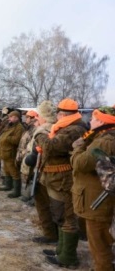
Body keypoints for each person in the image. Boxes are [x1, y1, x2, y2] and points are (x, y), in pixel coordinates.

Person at [34, 98, 88, 268]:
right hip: (57, 179)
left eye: (57, 113)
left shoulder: (75, 129)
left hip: (65, 180)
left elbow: (52, 147)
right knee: (60, 216)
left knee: (67, 217)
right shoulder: (67, 127)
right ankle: (61, 250)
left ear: (62, 114)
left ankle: (68, 257)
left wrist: (40, 134)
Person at [71, 105, 115, 271]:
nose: (90, 120)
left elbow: (80, 164)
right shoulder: (102, 137)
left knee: (100, 247)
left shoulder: (105, 141)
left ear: (104, 122)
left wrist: (78, 147)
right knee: (99, 245)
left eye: (95, 118)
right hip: (97, 200)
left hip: (99, 204)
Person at [25, 101, 59, 245]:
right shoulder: (56, 127)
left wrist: (31, 157)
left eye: (39, 115)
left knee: (44, 205)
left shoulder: (43, 130)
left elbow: (42, 153)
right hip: (49, 173)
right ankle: (52, 234)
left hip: (42, 172)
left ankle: (50, 235)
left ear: (44, 116)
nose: (36, 118)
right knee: (51, 206)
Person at [0, 110, 24, 197]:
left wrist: (7, 138)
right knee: (6, 170)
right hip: (4, 152)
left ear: (17, 118)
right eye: (10, 117)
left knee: (14, 171)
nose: (10, 118)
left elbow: (17, 140)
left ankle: (17, 191)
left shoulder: (19, 127)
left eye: (12, 117)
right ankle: (8, 185)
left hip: (10, 152)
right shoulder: (9, 125)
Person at [17, 110, 38, 202]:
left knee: (31, 176)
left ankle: (31, 197)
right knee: (25, 176)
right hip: (24, 155)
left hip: (29, 156)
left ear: (32, 118)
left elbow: (32, 145)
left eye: (27, 117)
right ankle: (27, 195)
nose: (25, 119)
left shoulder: (34, 129)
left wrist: (24, 153)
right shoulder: (27, 128)